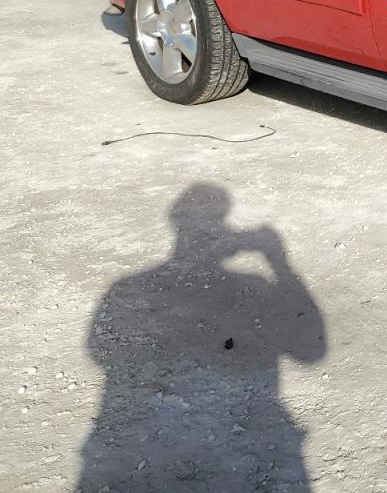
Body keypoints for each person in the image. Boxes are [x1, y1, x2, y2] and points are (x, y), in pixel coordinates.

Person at [78, 183, 325, 492]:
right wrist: (279, 262)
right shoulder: (254, 282)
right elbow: (311, 353)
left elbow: (97, 351)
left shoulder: (126, 287)